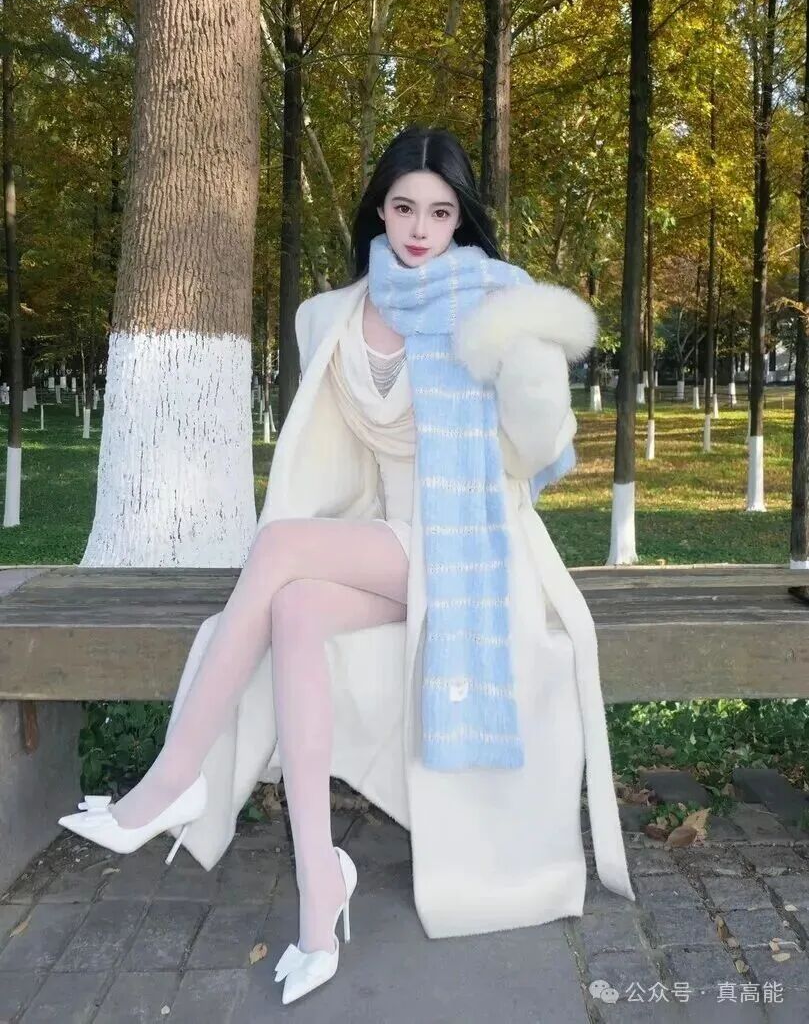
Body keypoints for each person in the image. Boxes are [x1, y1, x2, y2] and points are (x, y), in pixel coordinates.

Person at [57, 124, 634, 1006]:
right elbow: (342, 462)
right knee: (293, 609)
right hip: (389, 543)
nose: (419, 228)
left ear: (460, 219)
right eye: (403, 207)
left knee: (279, 548)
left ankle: (173, 779)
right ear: (379, 208)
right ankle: (319, 894)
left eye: (439, 212)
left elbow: (534, 451)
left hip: (475, 549)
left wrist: (526, 362)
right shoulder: (330, 315)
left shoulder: (492, 300)